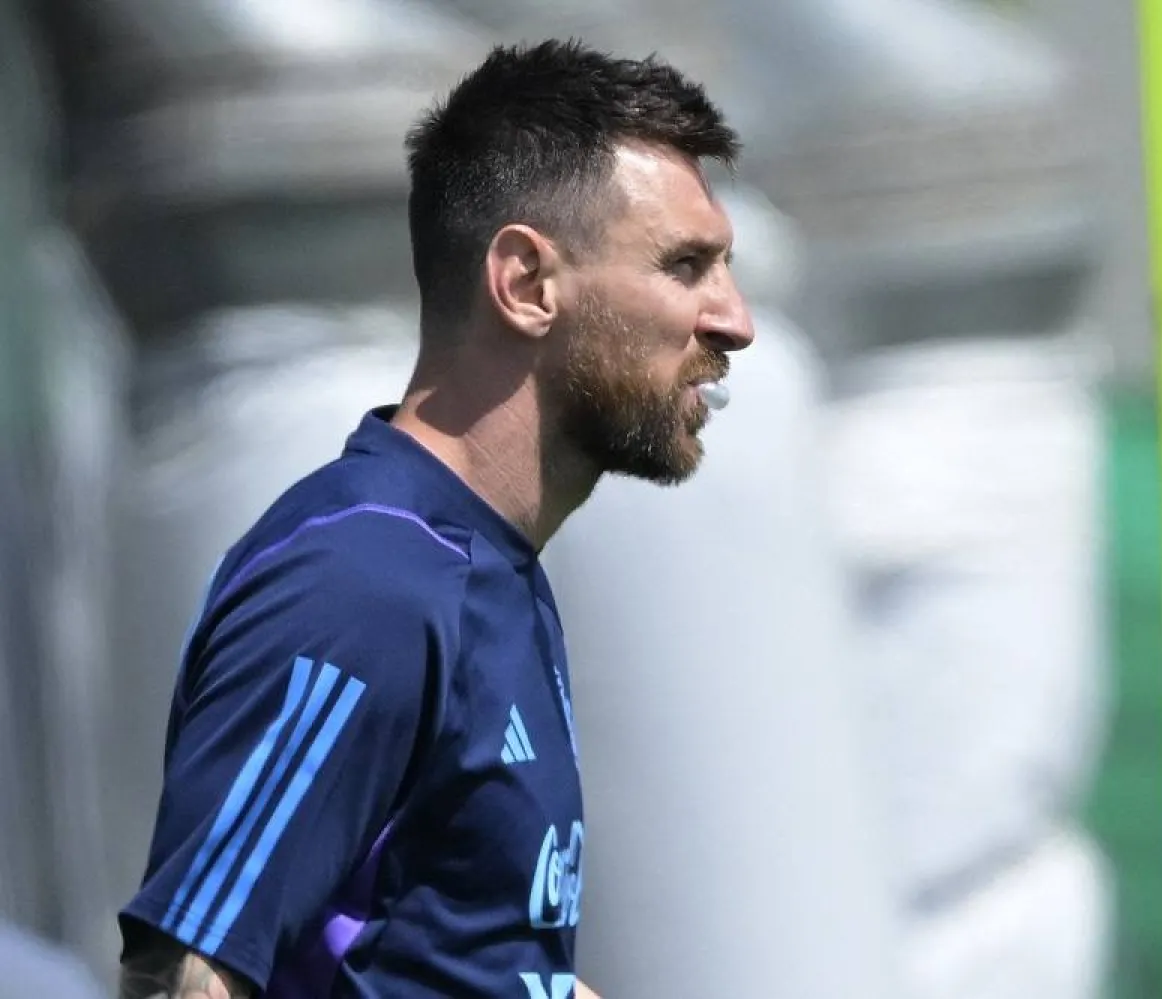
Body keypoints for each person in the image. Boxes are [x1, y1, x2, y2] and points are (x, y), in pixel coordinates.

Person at [116, 38, 753, 999]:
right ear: (526, 284)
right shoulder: (367, 581)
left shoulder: (491, 571)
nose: (735, 320)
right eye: (686, 265)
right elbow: (181, 977)